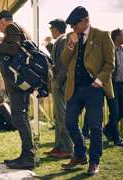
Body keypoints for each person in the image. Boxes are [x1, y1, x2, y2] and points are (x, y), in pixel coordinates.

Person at [61, 6, 115, 175]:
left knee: (95, 127)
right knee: (69, 122)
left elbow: (110, 63)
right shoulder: (72, 38)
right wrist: (71, 44)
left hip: (94, 89)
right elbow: (64, 60)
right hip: (75, 88)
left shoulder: (102, 35)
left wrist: (99, 81)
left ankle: (94, 161)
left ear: (85, 21)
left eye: (75, 25)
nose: (72, 29)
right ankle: (80, 154)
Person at [0, 10, 35, 170]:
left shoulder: (12, 28)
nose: (0, 30)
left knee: (19, 119)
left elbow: (13, 50)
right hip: (21, 83)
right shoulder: (20, 29)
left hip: (18, 85)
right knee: (22, 118)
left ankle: (28, 157)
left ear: (2, 22)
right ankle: (26, 155)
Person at [44, 19, 73, 158]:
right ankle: (58, 146)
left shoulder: (63, 40)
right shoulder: (60, 40)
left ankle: (67, 148)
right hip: (58, 83)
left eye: (51, 28)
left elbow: (64, 64)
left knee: (62, 117)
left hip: (61, 83)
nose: (50, 31)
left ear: (56, 29)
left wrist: (57, 82)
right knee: (58, 116)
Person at [103, 28, 123, 146]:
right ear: (116, 37)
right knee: (115, 112)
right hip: (112, 85)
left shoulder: (122, 50)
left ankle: (106, 129)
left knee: (121, 112)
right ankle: (116, 139)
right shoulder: (110, 50)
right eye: (122, 35)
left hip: (121, 84)